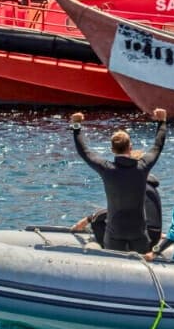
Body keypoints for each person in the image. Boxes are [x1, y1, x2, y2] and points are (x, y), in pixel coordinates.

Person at [70, 108, 167, 252]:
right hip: (138, 234)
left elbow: (84, 151)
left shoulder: (107, 169)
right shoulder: (143, 167)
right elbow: (157, 146)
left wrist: (76, 126)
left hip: (115, 234)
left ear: (112, 150)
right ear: (130, 147)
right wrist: (162, 122)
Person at [71, 170, 162, 248]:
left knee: (97, 222)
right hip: (154, 237)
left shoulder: (137, 187)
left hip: (144, 240)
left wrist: (88, 219)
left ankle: (108, 249)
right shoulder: (150, 187)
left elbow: (116, 210)